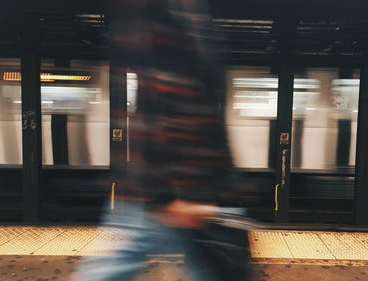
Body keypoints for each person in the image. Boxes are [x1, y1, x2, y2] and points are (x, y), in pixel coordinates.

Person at [72, 0, 251, 280]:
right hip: (177, 190)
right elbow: (167, 103)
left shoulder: (163, 17)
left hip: (172, 189)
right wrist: (171, 195)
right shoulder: (165, 16)